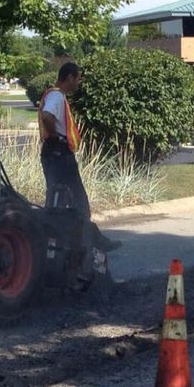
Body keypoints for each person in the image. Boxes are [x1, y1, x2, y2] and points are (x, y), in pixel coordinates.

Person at [38, 63, 118, 284]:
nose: (78, 82)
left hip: (54, 154)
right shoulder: (57, 97)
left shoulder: (53, 95)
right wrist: (57, 138)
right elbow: (47, 116)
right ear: (69, 78)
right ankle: (86, 258)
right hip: (59, 154)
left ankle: (62, 257)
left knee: (58, 206)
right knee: (79, 206)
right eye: (78, 78)